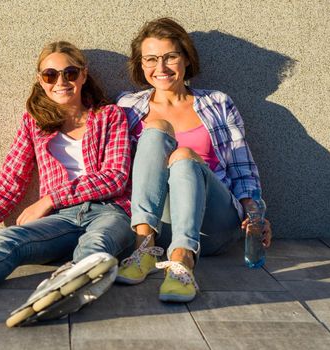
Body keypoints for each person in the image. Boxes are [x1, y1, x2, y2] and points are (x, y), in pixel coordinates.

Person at [0, 41, 135, 292]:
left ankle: (68, 288)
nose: (61, 82)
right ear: (41, 80)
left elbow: (115, 177)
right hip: (60, 219)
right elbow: (11, 179)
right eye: (50, 75)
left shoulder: (109, 115)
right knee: (9, 238)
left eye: (70, 73)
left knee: (96, 244)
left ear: (84, 75)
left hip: (111, 211)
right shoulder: (35, 123)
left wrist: (49, 199)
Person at [115, 18, 272, 302]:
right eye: (150, 59)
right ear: (140, 65)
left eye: (170, 57)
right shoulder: (127, 107)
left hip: (214, 225)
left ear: (186, 58)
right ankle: (143, 249)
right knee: (157, 130)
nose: (160, 68)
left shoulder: (217, 102)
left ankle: (183, 262)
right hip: (159, 224)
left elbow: (242, 167)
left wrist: (255, 213)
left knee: (184, 156)